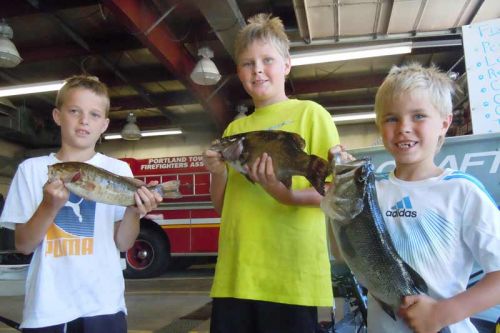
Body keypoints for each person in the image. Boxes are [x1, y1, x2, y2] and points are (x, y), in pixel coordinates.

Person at [203, 13, 342, 333]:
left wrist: (284, 194)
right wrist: (218, 173)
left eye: (267, 59)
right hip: (235, 276)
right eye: (248, 63)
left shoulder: (311, 114)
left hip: (291, 276)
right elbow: (223, 207)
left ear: (287, 64)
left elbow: (333, 193)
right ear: (239, 72)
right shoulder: (235, 129)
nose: (258, 69)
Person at [0, 75, 162, 332]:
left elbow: (122, 243)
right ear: (57, 116)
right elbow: (24, 245)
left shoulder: (119, 169)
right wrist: (49, 206)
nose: (84, 120)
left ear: (105, 124)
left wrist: (134, 211)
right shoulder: (31, 170)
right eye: (74, 111)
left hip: (104, 303)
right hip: (47, 308)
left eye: (94, 114)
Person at [361, 63, 499, 333]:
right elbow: (346, 256)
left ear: (444, 123)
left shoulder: (462, 191)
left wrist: (441, 313)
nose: (404, 128)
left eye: (419, 116)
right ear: (379, 125)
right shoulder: (369, 192)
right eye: (391, 118)